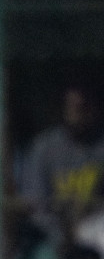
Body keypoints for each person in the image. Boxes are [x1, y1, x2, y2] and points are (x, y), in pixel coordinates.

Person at [21, 85, 104, 245]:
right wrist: (62, 231)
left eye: (83, 107)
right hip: (50, 231)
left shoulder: (100, 146)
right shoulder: (44, 147)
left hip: (91, 227)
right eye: (72, 107)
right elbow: (35, 204)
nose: (77, 114)